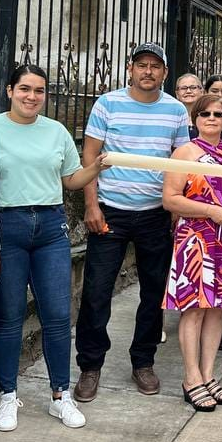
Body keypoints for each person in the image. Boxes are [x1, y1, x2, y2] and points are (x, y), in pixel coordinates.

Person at [0, 65, 110, 432]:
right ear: (9, 90)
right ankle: (8, 395)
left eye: (39, 91)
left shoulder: (55, 131)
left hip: (50, 227)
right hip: (5, 226)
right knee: (8, 317)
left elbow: (71, 180)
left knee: (57, 316)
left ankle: (60, 395)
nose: (32, 96)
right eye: (24, 88)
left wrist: (99, 166)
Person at [73, 43, 189, 403]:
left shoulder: (175, 110)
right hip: (111, 212)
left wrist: (175, 212)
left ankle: (143, 361)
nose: (148, 71)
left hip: (155, 214)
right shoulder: (107, 104)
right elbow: (90, 157)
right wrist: (91, 206)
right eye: (142, 65)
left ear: (164, 73)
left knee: (153, 294)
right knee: (96, 293)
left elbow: (180, 161)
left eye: (156, 66)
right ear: (130, 68)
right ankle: (90, 367)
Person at [162, 92, 222, 412]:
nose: (212, 119)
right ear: (195, 119)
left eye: (218, 114)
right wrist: (208, 211)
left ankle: (207, 373)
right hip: (196, 241)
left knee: (218, 308)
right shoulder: (183, 153)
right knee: (195, 309)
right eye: (205, 114)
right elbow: (171, 199)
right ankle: (191, 378)